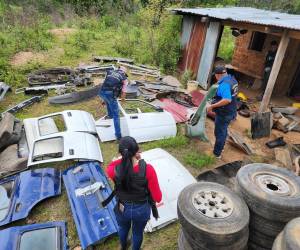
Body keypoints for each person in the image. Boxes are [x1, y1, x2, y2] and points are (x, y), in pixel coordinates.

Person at [106, 136, 162, 250]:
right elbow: (158, 198)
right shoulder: (148, 169)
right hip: (141, 210)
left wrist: (122, 158)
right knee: (137, 233)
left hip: (122, 208)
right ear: (137, 151)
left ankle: (123, 246)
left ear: (120, 153)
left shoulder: (113, 170)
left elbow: (111, 165)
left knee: (123, 228)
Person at [207, 65, 238, 158]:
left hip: (224, 113)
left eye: (215, 75)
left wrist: (212, 106)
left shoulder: (224, 84)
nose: (215, 77)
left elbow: (227, 99)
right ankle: (221, 146)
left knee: (219, 132)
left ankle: (217, 153)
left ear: (218, 75)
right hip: (231, 110)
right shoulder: (232, 79)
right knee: (223, 130)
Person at [99, 66, 128, 140]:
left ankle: (109, 119)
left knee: (109, 104)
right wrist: (123, 100)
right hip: (110, 95)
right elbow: (124, 92)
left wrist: (103, 99)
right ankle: (118, 136)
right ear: (124, 72)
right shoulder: (124, 79)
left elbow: (104, 83)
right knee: (116, 116)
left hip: (102, 92)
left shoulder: (110, 72)